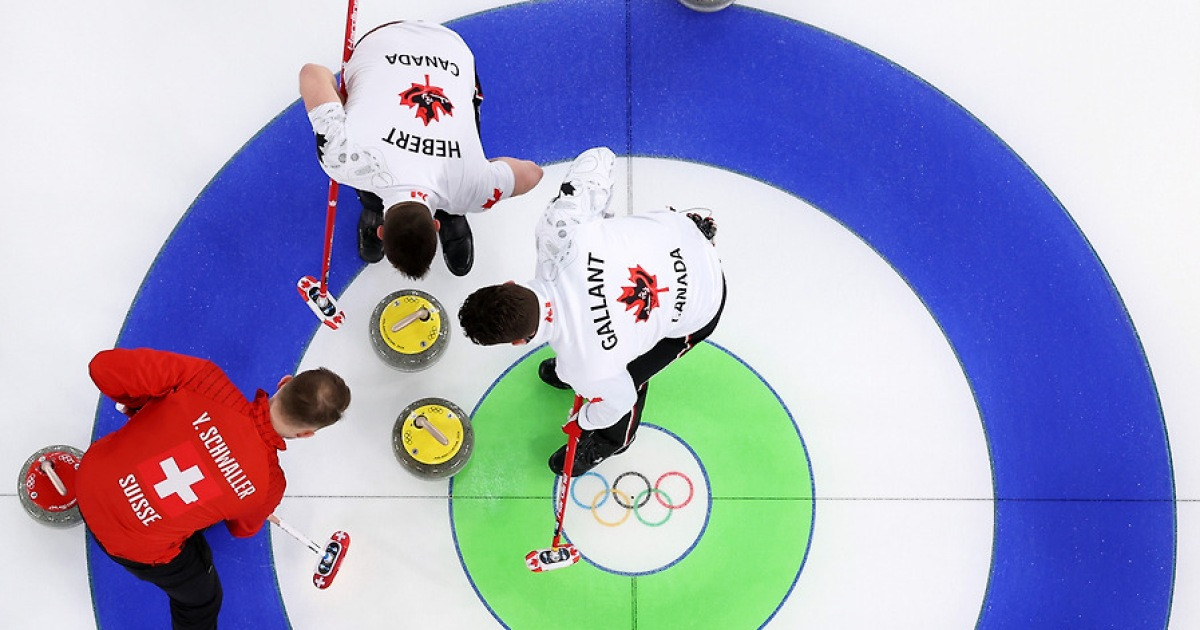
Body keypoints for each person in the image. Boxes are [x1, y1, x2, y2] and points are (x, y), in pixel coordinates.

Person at [457, 147, 726, 477]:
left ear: (519, 342)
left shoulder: (588, 365)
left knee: (629, 375)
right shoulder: (558, 229)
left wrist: (585, 420)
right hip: (677, 236)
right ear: (510, 283)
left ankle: (614, 440)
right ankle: (590, 388)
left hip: (704, 298)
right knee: (603, 371)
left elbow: (621, 399)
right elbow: (600, 157)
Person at [75, 348, 351, 629]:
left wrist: (143, 406)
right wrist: (250, 499)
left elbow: (102, 367)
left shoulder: (203, 380)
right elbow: (241, 529)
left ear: (284, 382)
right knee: (202, 600)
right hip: (133, 547)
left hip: (88, 481)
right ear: (306, 434)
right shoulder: (269, 484)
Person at [300, 20, 543, 279]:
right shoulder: (340, 157)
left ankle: (447, 211)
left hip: (414, 44)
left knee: (372, 174)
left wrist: (479, 178)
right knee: (362, 170)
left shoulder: (476, 187)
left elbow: (531, 174)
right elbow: (312, 74)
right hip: (439, 47)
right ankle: (443, 210)